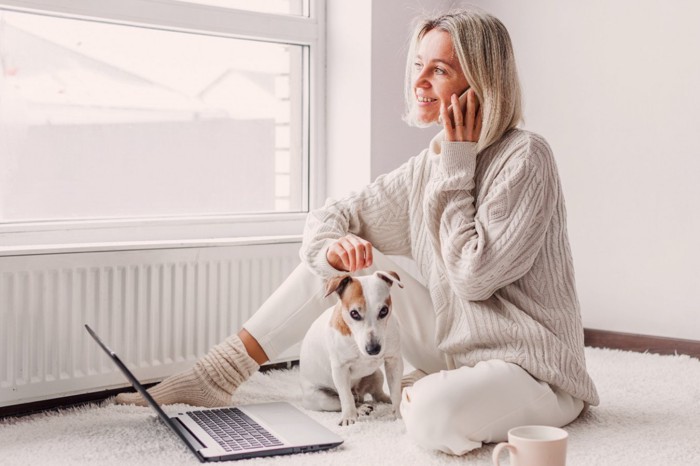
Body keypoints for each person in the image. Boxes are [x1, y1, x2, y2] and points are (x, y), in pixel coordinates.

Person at [116, 8, 599, 455]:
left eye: (440, 70)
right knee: (346, 260)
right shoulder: (426, 168)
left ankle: (422, 391)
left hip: (532, 369)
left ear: (482, 81)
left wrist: (457, 163)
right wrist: (334, 247)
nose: (421, 82)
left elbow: (474, 277)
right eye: (418, 65)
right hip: (458, 348)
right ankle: (217, 373)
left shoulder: (526, 158)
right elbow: (331, 215)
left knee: (431, 415)